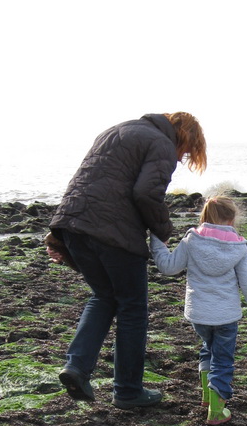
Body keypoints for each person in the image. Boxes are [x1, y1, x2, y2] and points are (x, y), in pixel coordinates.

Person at [47, 112, 207, 410]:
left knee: (104, 296)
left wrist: (58, 234)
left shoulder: (115, 131)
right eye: (186, 152)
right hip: (113, 233)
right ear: (183, 137)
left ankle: (77, 367)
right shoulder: (161, 142)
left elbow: (85, 181)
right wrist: (162, 230)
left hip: (73, 225)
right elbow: (146, 193)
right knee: (133, 308)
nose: (182, 157)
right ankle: (128, 391)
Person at [150, 196, 247, 426]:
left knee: (208, 349)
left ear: (204, 216)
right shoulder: (238, 247)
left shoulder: (191, 241)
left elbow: (167, 267)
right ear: (232, 219)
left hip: (199, 315)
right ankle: (216, 411)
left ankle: (208, 397)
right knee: (223, 360)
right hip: (226, 316)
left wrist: (156, 241)